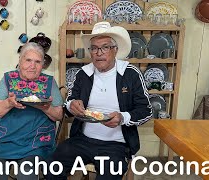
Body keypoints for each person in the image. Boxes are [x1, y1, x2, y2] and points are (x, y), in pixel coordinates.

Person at [46, 22, 152, 180]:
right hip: (82, 140)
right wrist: (71, 104)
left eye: (105, 47)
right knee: (52, 167)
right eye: (94, 48)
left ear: (115, 50)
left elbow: (146, 110)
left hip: (116, 145)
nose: (99, 52)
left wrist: (122, 117)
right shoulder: (83, 73)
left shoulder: (130, 73)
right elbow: (68, 104)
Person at [0, 42, 63, 180]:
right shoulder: (8, 79)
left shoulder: (49, 82)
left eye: (37, 62)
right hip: (6, 140)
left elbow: (58, 115)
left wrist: (45, 108)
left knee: (26, 174)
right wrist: (8, 103)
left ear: (42, 65)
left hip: (36, 142)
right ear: (20, 61)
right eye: (28, 60)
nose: (32, 66)